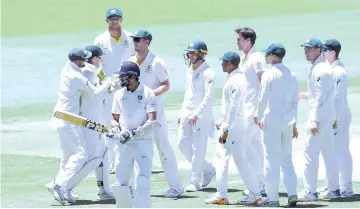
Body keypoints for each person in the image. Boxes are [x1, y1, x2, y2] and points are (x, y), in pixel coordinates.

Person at [46, 48, 112, 204]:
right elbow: (95, 94)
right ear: (77, 62)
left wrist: (101, 76)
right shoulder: (76, 76)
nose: (87, 62)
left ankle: (66, 190)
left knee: (68, 157)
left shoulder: (67, 69)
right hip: (68, 119)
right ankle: (58, 185)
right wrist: (109, 82)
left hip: (63, 118)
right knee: (80, 156)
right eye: (84, 59)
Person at [128, 29, 184, 197]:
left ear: (147, 42)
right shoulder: (130, 61)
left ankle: (176, 186)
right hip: (136, 113)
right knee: (135, 148)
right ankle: (133, 186)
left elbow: (166, 85)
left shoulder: (157, 62)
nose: (136, 42)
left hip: (155, 114)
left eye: (139, 40)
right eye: (134, 40)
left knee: (163, 148)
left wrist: (150, 94)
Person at [204, 52, 263, 205]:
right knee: (222, 158)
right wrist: (223, 121)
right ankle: (222, 194)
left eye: (223, 62)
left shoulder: (235, 80)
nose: (221, 64)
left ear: (230, 63)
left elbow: (234, 106)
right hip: (233, 125)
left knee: (239, 160)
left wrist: (226, 127)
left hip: (234, 127)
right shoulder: (236, 78)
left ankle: (254, 193)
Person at [110, 61, 160, 208]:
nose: (120, 79)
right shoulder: (119, 94)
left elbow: (152, 119)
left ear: (133, 76)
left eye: (123, 76)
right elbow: (114, 119)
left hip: (143, 142)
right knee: (121, 181)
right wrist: (117, 130)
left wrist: (134, 132)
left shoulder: (147, 93)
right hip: (124, 144)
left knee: (143, 179)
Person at [254, 44, 298, 207]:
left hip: (272, 121)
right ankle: (292, 193)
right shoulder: (292, 74)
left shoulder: (269, 75)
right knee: (287, 159)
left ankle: (273, 198)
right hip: (288, 122)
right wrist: (295, 124)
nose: (266, 57)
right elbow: (295, 102)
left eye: (268, 55)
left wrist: (257, 117)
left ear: (274, 57)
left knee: (271, 160)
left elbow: (262, 98)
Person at [93, 7, 135, 174]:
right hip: (109, 88)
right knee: (109, 123)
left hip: (126, 86)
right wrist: (106, 79)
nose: (114, 20)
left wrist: (129, 79)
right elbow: (94, 64)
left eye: (117, 18)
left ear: (121, 19)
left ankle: (124, 160)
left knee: (125, 121)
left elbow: (135, 60)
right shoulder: (100, 40)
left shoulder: (130, 38)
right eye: (111, 18)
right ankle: (110, 162)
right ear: (107, 21)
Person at [297, 38, 340, 201]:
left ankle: (310, 192)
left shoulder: (320, 69)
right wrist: (304, 95)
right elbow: (323, 94)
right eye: (305, 48)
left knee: (310, 152)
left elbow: (321, 97)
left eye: (309, 49)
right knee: (328, 153)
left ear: (318, 50)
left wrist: (314, 119)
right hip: (327, 115)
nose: (306, 51)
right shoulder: (322, 67)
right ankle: (334, 189)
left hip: (320, 116)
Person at [177, 40, 216, 192]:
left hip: (201, 116)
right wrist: (182, 113)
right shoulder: (190, 70)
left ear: (201, 54)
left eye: (192, 53)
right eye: (189, 53)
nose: (189, 55)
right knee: (182, 143)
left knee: (198, 148)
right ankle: (208, 169)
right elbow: (188, 94)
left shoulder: (208, 72)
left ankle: (194, 180)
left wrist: (197, 113)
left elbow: (209, 97)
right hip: (187, 113)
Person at [320, 39, 354, 197]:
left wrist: (335, 120)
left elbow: (338, 98)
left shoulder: (338, 71)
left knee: (341, 151)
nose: (322, 53)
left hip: (339, 116)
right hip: (335, 115)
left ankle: (346, 188)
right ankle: (333, 185)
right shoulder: (332, 68)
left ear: (333, 53)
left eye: (324, 50)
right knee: (333, 151)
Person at [235, 27, 266, 195]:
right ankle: (260, 182)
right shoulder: (243, 58)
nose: (236, 42)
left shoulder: (257, 58)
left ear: (248, 41)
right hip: (244, 107)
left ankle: (258, 183)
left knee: (245, 144)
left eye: (239, 39)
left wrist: (258, 109)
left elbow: (264, 83)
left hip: (252, 109)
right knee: (253, 144)